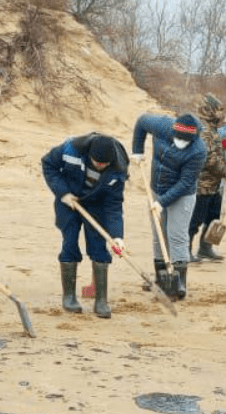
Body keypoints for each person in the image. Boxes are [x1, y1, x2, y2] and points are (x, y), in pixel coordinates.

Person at [42, 132, 128, 318]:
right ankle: (69, 297)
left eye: (104, 164)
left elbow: (114, 205)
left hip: (97, 204)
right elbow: (48, 164)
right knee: (70, 242)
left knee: (99, 246)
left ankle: (101, 301)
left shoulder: (118, 167)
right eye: (97, 162)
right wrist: (62, 193)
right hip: (69, 200)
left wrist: (117, 236)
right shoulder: (70, 148)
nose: (100, 166)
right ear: (89, 154)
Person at [131, 111, 207, 300]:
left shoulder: (198, 150)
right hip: (157, 187)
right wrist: (137, 151)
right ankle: (161, 279)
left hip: (182, 194)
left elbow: (186, 182)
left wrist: (161, 202)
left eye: (185, 140)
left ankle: (177, 285)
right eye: (178, 138)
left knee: (177, 236)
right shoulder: (162, 125)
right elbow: (141, 121)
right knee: (158, 235)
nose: (181, 142)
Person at [188, 94, 226, 262]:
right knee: (195, 219)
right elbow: (208, 158)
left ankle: (205, 248)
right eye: (218, 110)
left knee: (214, 215)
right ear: (209, 110)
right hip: (202, 184)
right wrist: (224, 170)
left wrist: (224, 144)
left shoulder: (212, 128)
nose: (221, 114)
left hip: (214, 184)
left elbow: (217, 150)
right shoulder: (203, 129)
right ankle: (185, 250)